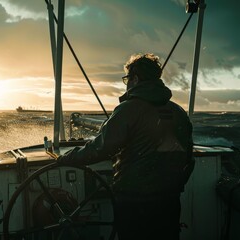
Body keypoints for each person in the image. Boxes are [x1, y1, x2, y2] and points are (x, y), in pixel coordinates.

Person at [58, 53, 194, 239]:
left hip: (135, 201)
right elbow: (188, 158)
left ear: (135, 79)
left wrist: (67, 157)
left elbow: (101, 148)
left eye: (127, 79)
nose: (127, 84)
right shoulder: (178, 112)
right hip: (169, 200)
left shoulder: (128, 109)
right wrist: (173, 186)